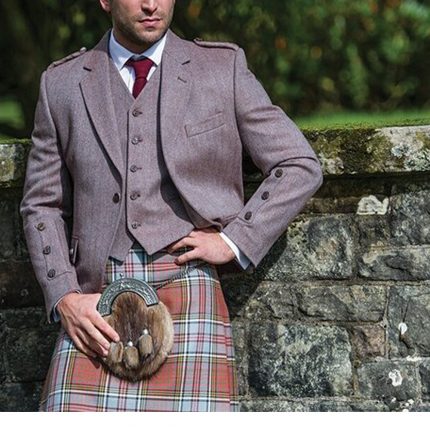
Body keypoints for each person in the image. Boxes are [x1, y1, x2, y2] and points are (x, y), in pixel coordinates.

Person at [20, 0, 323, 412]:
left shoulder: (221, 68)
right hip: (95, 299)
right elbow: (41, 203)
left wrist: (235, 241)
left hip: (189, 282)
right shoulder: (63, 83)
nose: (151, 4)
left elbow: (298, 164)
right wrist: (64, 297)